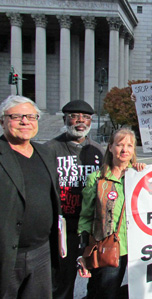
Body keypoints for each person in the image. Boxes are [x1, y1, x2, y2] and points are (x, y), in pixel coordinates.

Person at [0, 95, 61, 298]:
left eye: (31, 117)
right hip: (7, 255)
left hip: (42, 251)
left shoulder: (45, 153)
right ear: (3, 121)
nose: (25, 121)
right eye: (17, 116)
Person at [77, 127, 146, 299]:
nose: (124, 150)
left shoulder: (139, 176)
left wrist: (144, 173)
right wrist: (82, 251)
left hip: (138, 249)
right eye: (119, 144)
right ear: (110, 147)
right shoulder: (96, 179)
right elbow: (86, 216)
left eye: (130, 145)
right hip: (107, 249)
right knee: (104, 292)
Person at [46, 100, 105, 299]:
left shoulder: (98, 151)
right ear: (65, 119)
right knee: (62, 283)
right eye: (74, 116)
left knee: (97, 281)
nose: (80, 121)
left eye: (86, 117)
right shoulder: (50, 149)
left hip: (92, 228)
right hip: (63, 228)